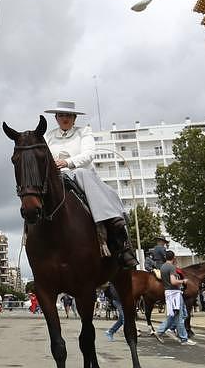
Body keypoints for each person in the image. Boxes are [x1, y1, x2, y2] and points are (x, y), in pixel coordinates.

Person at [42, 100, 137, 269]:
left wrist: (67, 162)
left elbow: (88, 155)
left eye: (68, 116)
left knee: (85, 175)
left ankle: (117, 236)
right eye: (61, 115)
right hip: (56, 177)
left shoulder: (84, 132)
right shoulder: (48, 136)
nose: (65, 118)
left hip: (80, 174)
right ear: (56, 118)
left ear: (74, 118)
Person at [154, 248, 195, 345]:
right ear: (174, 257)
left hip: (169, 292)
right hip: (174, 294)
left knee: (181, 314)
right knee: (179, 316)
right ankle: (184, 339)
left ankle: (162, 330)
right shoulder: (171, 267)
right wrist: (183, 281)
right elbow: (173, 281)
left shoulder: (163, 267)